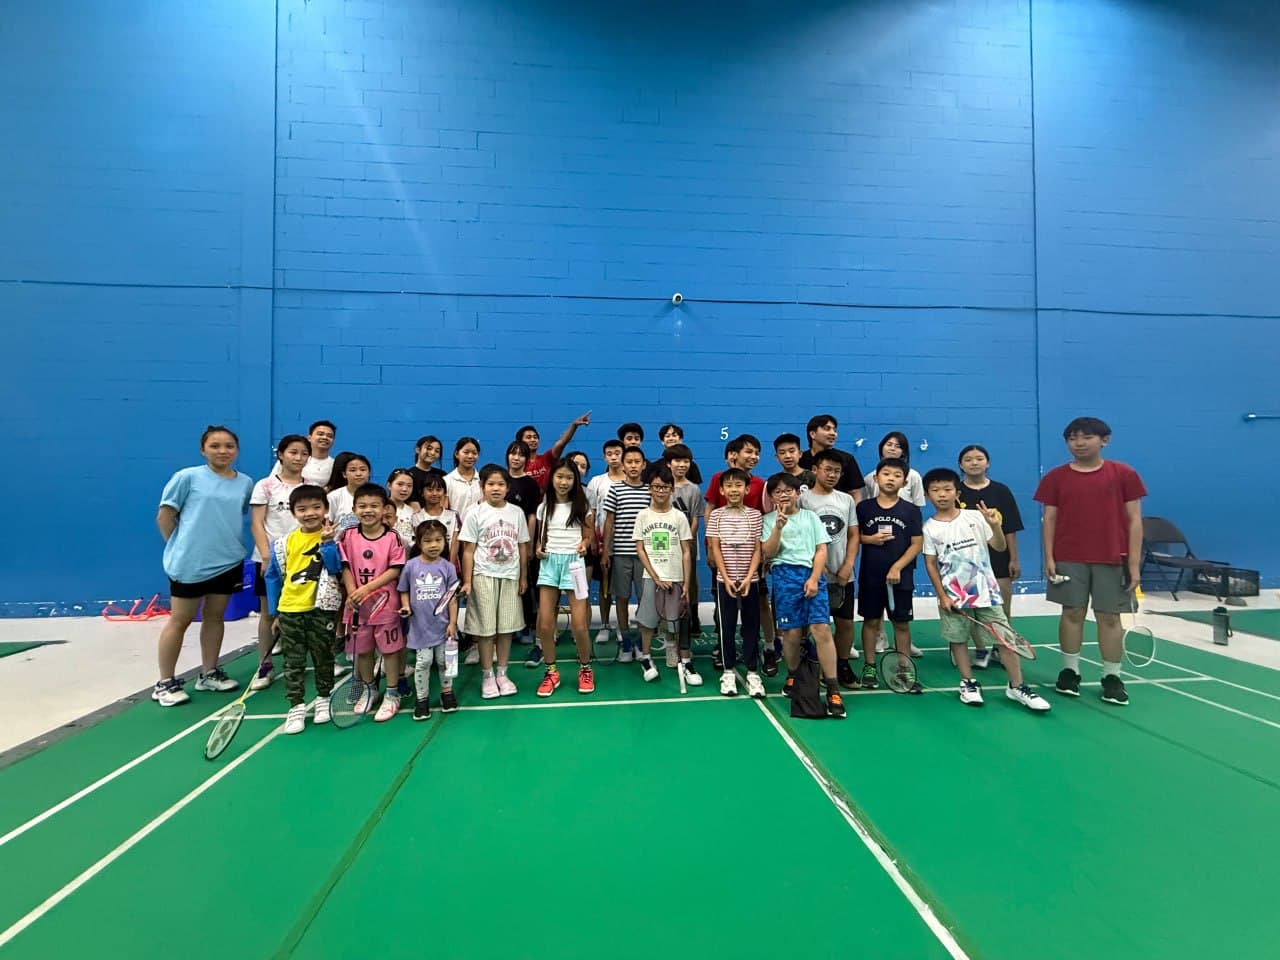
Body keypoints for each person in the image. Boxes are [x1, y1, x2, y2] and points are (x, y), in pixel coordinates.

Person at [1034, 417, 1146, 706]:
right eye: (1072, 438)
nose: (1079, 443)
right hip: (1069, 557)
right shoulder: (1056, 477)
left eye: (1086, 437)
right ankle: (1070, 672)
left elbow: (1134, 521)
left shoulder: (1124, 474)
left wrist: (1133, 564)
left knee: (1109, 617)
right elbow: (1050, 519)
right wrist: (1049, 557)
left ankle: (1112, 677)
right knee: (1071, 612)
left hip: (1112, 557)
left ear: (1104, 440)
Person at [921, 468, 1050, 712]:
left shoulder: (976, 517)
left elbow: (999, 546)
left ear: (957, 493)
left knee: (1005, 640)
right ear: (928, 496)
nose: (942, 495)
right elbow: (930, 563)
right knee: (958, 641)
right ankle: (968, 683)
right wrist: (942, 595)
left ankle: (1017, 686)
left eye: (947, 489)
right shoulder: (929, 528)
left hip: (987, 593)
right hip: (954, 597)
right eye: (935, 490)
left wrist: (995, 525)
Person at [152, 426, 254, 706]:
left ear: (237, 449)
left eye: (229, 446)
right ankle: (165, 682)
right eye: (215, 446)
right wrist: (178, 546)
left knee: (214, 617)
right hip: (190, 563)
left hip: (228, 560)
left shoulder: (244, 482)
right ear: (203, 449)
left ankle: (209, 673)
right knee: (180, 620)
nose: (223, 451)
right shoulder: (187, 477)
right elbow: (165, 516)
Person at [761, 473, 845, 719]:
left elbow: (821, 550)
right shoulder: (768, 520)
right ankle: (794, 676)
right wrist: (778, 527)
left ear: (798, 493)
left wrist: (814, 578)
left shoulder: (811, 518)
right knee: (792, 634)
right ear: (772, 496)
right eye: (778, 491)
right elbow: (768, 553)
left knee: (821, 630)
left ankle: (832, 688)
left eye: (789, 490)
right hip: (784, 576)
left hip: (812, 574)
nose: (784, 494)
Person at [264, 485, 343, 734]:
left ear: (325, 509)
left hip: (321, 609)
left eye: (316, 507)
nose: (310, 513)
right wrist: (276, 612)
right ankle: (296, 705)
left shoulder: (334, 538)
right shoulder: (283, 543)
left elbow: (335, 569)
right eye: (302, 509)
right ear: (293, 512)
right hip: (290, 610)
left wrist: (328, 544)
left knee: (324, 656)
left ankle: (323, 698)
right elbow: (274, 577)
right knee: (293, 661)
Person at [459, 464, 531, 698]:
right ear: (482, 487)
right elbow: (468, 550)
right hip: (484, 576)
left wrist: (523, 577)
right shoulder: (475, 512)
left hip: (509, 577)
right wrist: (468, 581)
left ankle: (503, 672)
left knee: (506, 629)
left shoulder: (516, 513)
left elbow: (521, 547)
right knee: (486, 629)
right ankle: (488, 675)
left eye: (501, 484)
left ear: (508, 488)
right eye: (491, 484)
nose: (496, 488)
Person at [338, 483, 407, 721]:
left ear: (384, 508)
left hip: (385, 604)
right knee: (363, 650)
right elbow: (345, 566)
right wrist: (352, 591)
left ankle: (392, 693)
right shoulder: (347, 535)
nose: (368, 510)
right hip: (357, 605)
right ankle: (369, 689)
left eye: (374, 506)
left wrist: (366, 588)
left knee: (389, 650)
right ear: (354, 509)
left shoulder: (392, 537)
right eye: (363, 506)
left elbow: (395, 569)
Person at [248, 434, 311, 692]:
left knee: (305, 612)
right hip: (271, 560)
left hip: (304, 560)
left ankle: (304, 661)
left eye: (303, 454)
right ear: (281, 454)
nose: (298, 458)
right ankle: (265, 666)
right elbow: (257, 523)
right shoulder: (265, 486)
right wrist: (266, 555)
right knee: (269, 613)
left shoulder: (311, 487)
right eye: (293, 452)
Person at [855, 458, 924, 692]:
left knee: (901, 624)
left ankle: (905, 668)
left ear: (904, 482)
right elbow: (853, 537)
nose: (891, 478)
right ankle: (870, 666)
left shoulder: (911, 510)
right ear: (876, 478)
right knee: (871, 622)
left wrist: (897, 567)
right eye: (886, 473)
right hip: (871, 576)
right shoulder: (864, 508)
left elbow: (917, 544)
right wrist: (869, 539)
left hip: (901, 578)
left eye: (896, 475)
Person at [531, 459, 596, 697]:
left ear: (575, 480)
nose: (564, 482)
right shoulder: (544, 506)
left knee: (580, 624)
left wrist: (584, 544)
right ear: (552, 478)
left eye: (569, 477)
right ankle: (551, 672)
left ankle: (585, 668)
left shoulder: (582, 506)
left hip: (574, 565)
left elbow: (588, 536)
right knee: (546, 624)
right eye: (559, 477)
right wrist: (538, 548)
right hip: (549, 565)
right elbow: (540, 537)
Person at [956, 444, 1025, 669]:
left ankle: (1001, 647)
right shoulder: (956, 492)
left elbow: (1010, 528)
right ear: (961, 465)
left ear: (988, 463)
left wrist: (1014, 558)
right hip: (967, 559)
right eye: (968, 459)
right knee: (975, 607)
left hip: (998, 556)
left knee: (1002, 607)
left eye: (979, 458)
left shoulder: (1001, 491)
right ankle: (981, 649)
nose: (974, 463)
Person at [800, 449, 861, 688]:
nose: (833, 474)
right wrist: (817, 567)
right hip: (815, 574)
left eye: (837, 471)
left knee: (845, 623)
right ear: (815, 470)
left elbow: (854, 535)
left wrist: (848, 564)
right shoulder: (803, 500)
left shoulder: (846, 500)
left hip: (844, 574)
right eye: (828, 469)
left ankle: (841, 665)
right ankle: (812, 666)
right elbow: (800, 536)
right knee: (813, 624)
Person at [633, 464, 697, 685]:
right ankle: (646, 657)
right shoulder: (642, 515)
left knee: (675, 621)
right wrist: (656, 576)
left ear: (672, 490)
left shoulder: (679, 516)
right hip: (651, 577)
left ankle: (684, 661)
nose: (660, 491)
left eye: (665, 487)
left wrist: (686, 582)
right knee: (648, 621)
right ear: (650, 489)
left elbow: (686, 551)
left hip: (676, 576)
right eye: (656, 487)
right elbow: (640, 549)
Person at [705, 468, 764, 698]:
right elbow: (715, 548)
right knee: (726, 626)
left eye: (738, 485)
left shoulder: (755, 516)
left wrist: (750, 577)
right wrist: (726, 577)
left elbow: (758, 550)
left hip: (751, 580)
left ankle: (752, 672)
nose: (733, 489)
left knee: (751, 626)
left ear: (746, 489)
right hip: (725, 580)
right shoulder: (717, 516)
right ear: (721, 490)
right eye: (728, 485)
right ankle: (728, 671)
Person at [398, 519, 460, 719]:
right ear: (419, 543)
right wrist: (406, 606)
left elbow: (451, 598)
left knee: (445, 661)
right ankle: (422, 700)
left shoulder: (448, 567)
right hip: (420, 627)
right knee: (423, 663)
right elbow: (404, 590)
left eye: (438, 540)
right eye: (427, 541)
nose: (434, 545)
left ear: (445, 541)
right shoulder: (410, 566)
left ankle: (447, 694)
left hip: (443, 628)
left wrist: (452, 622)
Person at [601, 445, 650, 660]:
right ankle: (626, 643)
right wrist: (605, 551)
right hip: (620, 554)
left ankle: (641, 642)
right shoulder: (616, 489)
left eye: (637, 462)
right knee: (621, 597)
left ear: (643, 465)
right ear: (623, 464)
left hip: (644, 556)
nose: (633, 465)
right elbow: (609, 521)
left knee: (643, 598)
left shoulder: (650, 490)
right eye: (628, 462)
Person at [504, 440, 544, 655]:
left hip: (521, 542)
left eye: (521, 454)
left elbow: (532, 516)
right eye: (513, 453)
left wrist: (528, 544)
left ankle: (526, 625)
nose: (516, 457)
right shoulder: (500, 479)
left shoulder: (530, 485)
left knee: (526, 584)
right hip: (500, 543)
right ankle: (507, 626)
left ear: (528, 459)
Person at [665, 443, 706, 642]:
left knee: (689, 579)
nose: (682, 465)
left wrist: (687, 539)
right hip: (665, 543)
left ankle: (691, 615)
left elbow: (697, 517)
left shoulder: (694, 489)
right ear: (668, 464)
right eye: (677, 461)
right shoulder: (662, 486)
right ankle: (666, 621)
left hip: (687, 542)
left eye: (686, 461)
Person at [587, 439, 624, 645]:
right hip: (603, 541)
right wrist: (593, 538)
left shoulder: (631, 480)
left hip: (626, 542)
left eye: (617, 453)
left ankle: (621, 625)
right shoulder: (596, 482)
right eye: (609, 453)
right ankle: (604, 624)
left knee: (621, 589)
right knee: (604, 586)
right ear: (604, 457)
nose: (613, 457)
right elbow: (591, 512)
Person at [516, 412, 591, 488]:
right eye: (528, 437)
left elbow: (561, 443)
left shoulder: (547, 458)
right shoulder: (516, 463)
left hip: (547, 499)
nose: (533, 440)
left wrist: (574, 425)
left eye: (535, 437)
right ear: (520, 441)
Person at [798, 414, 864, 499]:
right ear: (812, 434)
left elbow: (855, 493)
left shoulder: (846, 459)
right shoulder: (800, 460)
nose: (833, 433)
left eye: (834, 430)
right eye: (827, 428)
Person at [862, 432, 926, 507]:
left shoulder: (913, 475)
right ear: (881, 447)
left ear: (903, 452)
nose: (892, 449)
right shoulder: (870, 478)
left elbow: (918, 505)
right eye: (889, 445)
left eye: (898, 446)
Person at [326, 453, 371, 533]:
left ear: (369, 473)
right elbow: (326, 524)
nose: (358, 474)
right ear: (344, 474)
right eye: (352, 470)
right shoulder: (334, 497)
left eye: (363, 469)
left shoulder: (377, 496)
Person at [444, 437, 482, 520]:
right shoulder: (447, 481)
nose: (470, 456)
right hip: (456, 530)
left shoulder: (483, 480)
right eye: (466, 452)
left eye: (474, 453)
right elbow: (444, 511)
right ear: (457, 454)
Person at [386, 468, 419, 548]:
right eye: (400, 484)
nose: (404, 489)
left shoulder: (412, 512)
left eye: (409, 486)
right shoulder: (381, 508)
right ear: (389, 485)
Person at [408, 435, 448, 503]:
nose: (433, 453)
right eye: (429, 448)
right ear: (418, 450)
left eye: (437, 451)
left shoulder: (442, 475)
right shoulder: (409, 475)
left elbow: (444, 501)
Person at [301, 420, 337, 485]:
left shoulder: (335, 465)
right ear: (309, 438)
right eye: (320, 434)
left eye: (330, 436)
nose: (325, 437)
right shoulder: (295, 460)